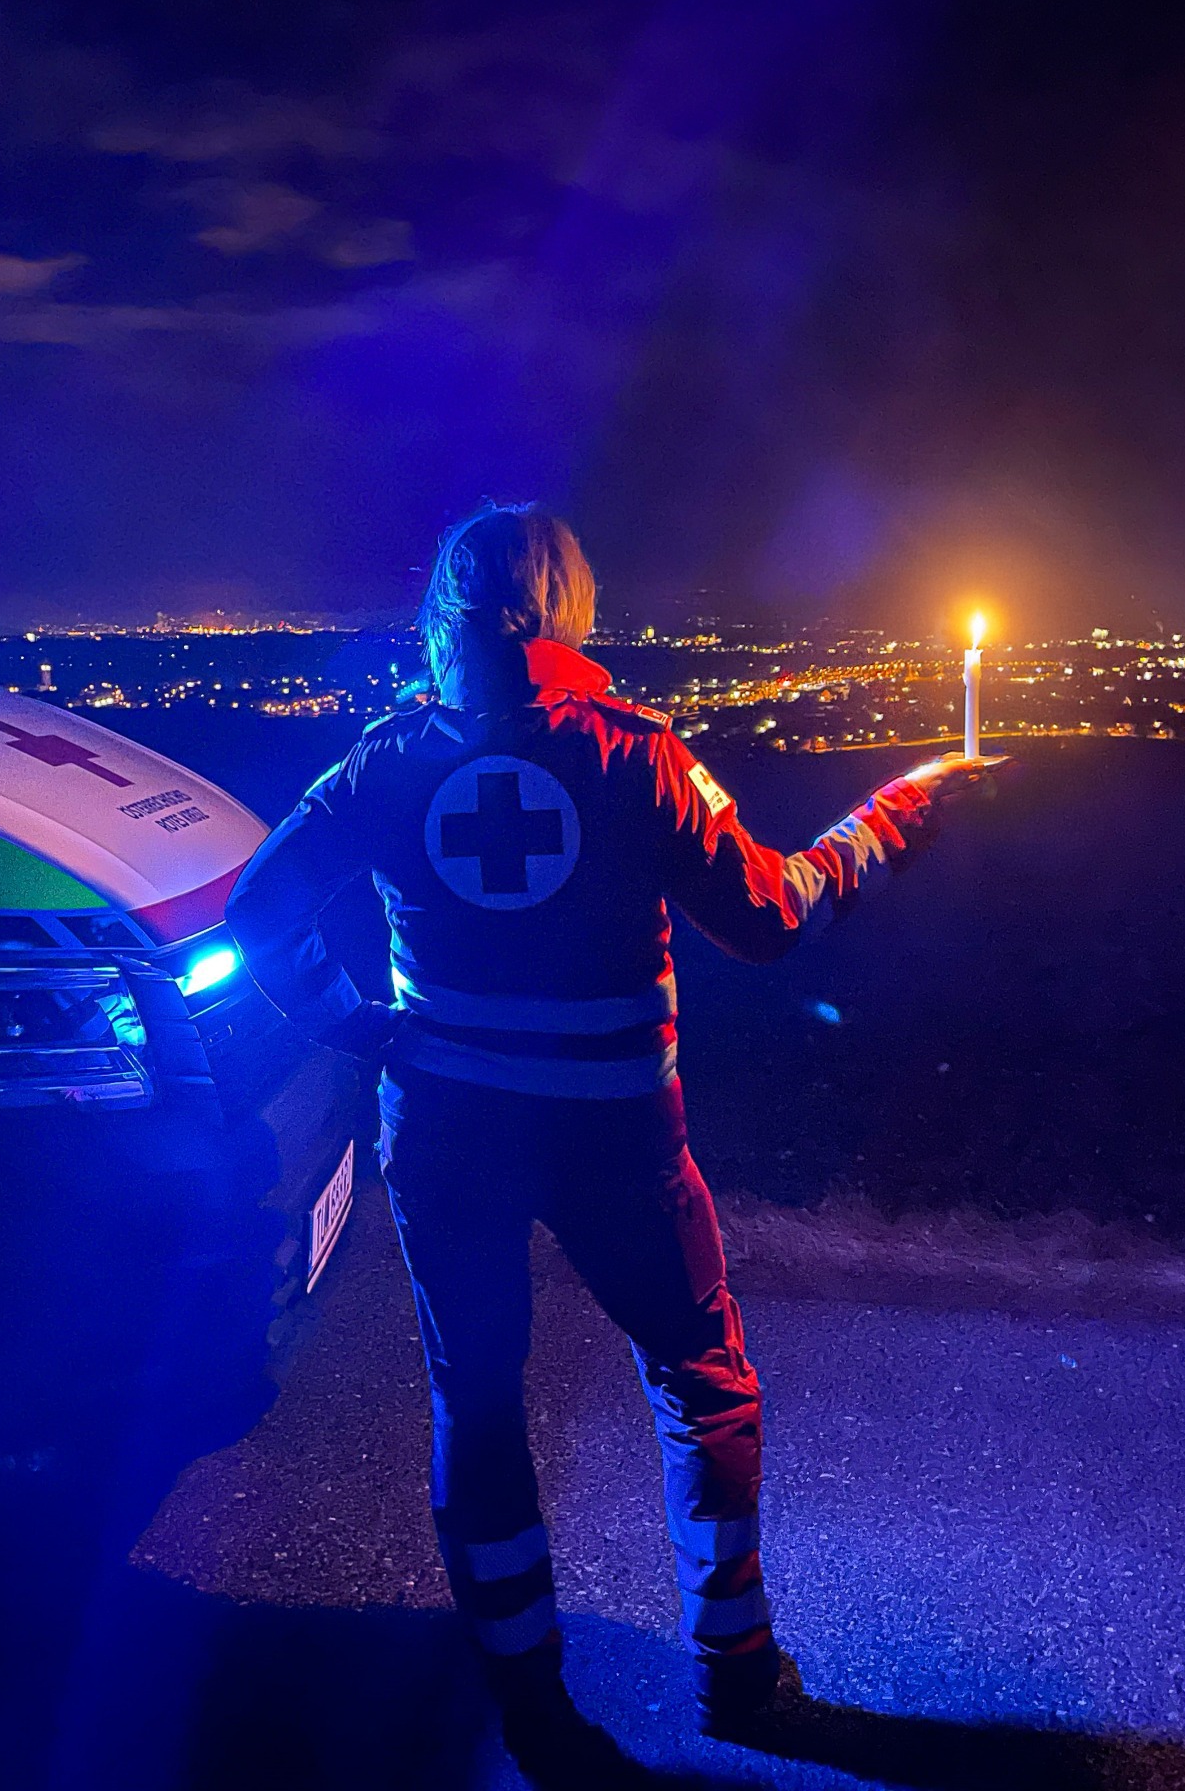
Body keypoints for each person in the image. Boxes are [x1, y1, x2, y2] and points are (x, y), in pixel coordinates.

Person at [226, 503, 995, 1778]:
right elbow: (769, 916)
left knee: (474, 1404)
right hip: (615, 1140)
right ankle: (737, 1675)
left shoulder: (386, 760)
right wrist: (895, 816)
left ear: (444, 611)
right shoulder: (634, 754)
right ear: (567, 608)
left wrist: (357, 1026)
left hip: (446, 1132)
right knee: (702, 1379)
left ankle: (530, 1709)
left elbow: (263, 909)